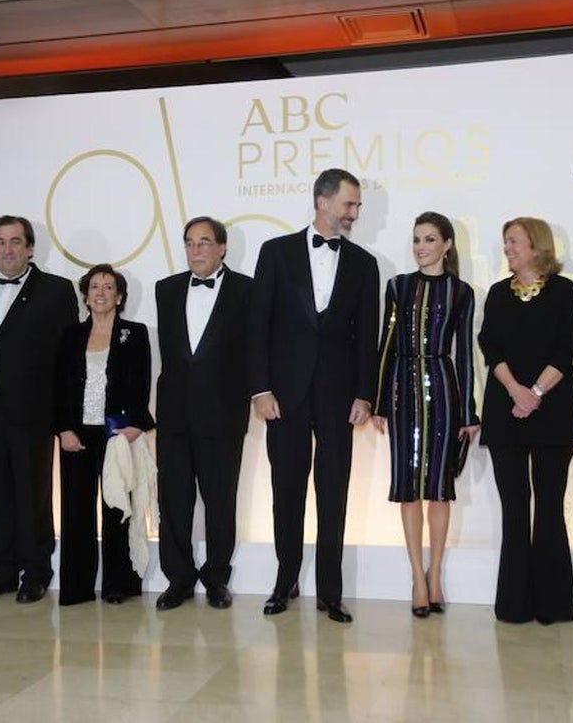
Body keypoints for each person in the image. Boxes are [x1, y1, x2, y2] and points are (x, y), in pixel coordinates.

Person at [248, 167, 380, 624]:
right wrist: (260, 389)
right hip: (283, 395)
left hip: (339, 397)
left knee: (333, 492)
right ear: (322, 201)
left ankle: (331, 591)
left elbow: (368, 338)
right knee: (285, 490)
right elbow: (258, 327)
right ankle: (284, 582)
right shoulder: (276, 253)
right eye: (349, 204)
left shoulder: (365, 263)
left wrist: (366, 394)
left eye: (357, 205)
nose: (354, 213)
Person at [0, 215, 79, 604]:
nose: (8, 249)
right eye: (1, 242)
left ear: (30, 248)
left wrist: (63, 417)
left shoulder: (56, 290)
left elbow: (67, 360)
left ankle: (35, 571)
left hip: (32, 411)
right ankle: (0, 570)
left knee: (32, 493)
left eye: (16, 242)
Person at [372, 212, 479, 618]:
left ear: (447, 245)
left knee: (438, 487)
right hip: (401, 390)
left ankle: (437, 576)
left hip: (444, 390)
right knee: (407, 486)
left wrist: (468, 411)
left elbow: (466, 353)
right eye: (417, 239)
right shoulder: (397, 286)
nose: (421, 246)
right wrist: (380, 401)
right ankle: (417, 577)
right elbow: (384, 345)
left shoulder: (461, 292)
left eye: (430, 239)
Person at [478, 216, 573, 625]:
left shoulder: (563, 291)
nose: (507, 249)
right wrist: (516, 391)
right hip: (506, 412)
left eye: (514, 242)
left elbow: (567, 346)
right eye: (505, 242)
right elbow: (491, 346)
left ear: (537, 246)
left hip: (552, 413)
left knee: (550, 508)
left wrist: (535, 393)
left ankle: (553, 605)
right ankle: (514, 604)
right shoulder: (499, 294)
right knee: (515, 509)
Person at [154, 217, 252, 611]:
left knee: (220, 500)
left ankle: (216, 578)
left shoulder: (248, 291)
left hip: (223, 414)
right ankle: (177, 579)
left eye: (204, 243)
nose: (196, 251)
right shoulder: (167, 289)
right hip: (175, 414)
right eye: (190, 243)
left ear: (223, 248)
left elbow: (254, 353)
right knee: (173, 501)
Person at [53, 264, 154, 606]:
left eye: (108, 287)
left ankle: (118, 585)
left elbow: (142, 383)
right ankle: (77, 588)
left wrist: (136, 425)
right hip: (76, 436)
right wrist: (63, 428)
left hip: (117, 435)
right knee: (75, 510)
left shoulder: (135, 333)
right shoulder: (70, 335)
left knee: (117, 509)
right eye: (94, 286)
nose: (100, 292)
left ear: (119, 296)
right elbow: (61, 388)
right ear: (86, 295)